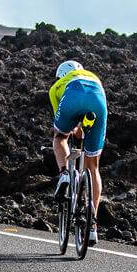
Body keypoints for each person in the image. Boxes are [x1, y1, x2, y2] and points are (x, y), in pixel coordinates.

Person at [49, 60, 108, 246]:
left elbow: (63, 127)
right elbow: (82, 132)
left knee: (59, 138)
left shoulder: (56, 86)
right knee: (93, 166)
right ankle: (92, 226)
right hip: (98, 98)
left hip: (72, 95)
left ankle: (65, 173)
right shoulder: (94, 77)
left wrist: (72, 129)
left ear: (60, 75)